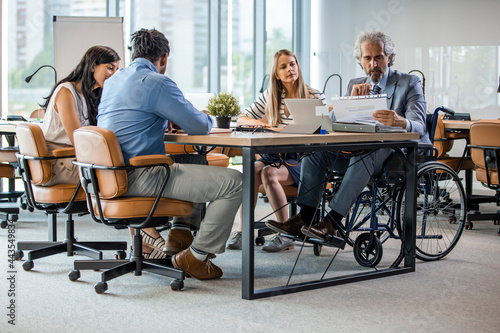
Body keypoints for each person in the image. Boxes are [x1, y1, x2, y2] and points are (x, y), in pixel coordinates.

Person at [97, 28, 242, 280]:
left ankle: (180, 233)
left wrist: (165, 118)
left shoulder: (113, 81)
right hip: (141, 175)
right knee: (235, 182)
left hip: (107, 175)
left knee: (195, 159)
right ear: (163, 58)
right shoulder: (157, 82)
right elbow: (199, 126)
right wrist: (202, 116)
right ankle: (196, 257)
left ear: (133, 54)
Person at [266, 30, 429, 242]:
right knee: (315, 153)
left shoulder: (409, 82)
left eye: (378, 57)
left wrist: (400, 121)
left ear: (389, 57)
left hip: (394, 156)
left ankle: (332, 223)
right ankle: (305, 218)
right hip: (357, 152)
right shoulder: (356, 84)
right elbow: (331, 122)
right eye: (367, 58)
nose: (373, 64)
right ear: (360, 61)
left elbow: (420, 125)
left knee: (365, 154)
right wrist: (349, 102)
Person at [226, 49, 326, 253]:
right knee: (252, 170)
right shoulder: (271, 96)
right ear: (276, 74)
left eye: (292, 64)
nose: (290, 69)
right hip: (275, 156)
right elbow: (242, 118)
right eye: (284, 66)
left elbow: (324, 130)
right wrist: (267, 126)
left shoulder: (314, 96)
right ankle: (244, 232)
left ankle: (286, 234)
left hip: (303, 160)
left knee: (268, 173)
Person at [41, 45, 120, 186]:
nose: (113, 75)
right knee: (116, 177)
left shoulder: (87, 96)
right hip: (59, 165)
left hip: (73, 160)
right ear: (92, 67)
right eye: (110, 68)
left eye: (116, 70)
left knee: (119, 172)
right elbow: (78, 140)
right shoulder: (66, 92)